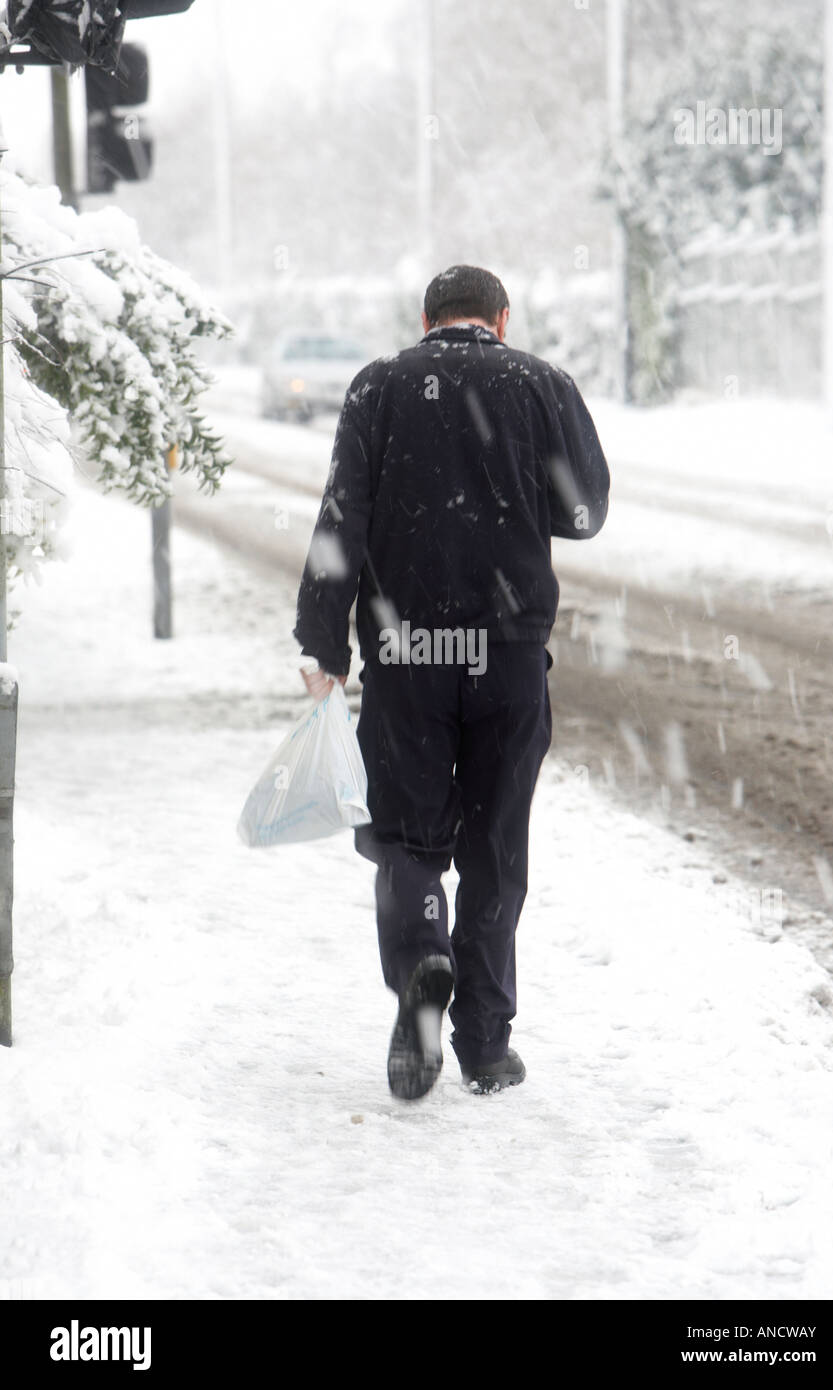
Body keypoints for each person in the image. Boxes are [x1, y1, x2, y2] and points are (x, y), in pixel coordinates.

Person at [294, 265, 609, 1100]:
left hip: (409, 654)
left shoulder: (380, 388)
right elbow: (584, 514)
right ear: (501, 320)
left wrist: (323, 642)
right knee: (496, 849)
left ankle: (422, 962)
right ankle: (485, 1042)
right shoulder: (541, 385)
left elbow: (340, 521)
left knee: (405, 838)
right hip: (505, 654)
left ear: (425, 318)